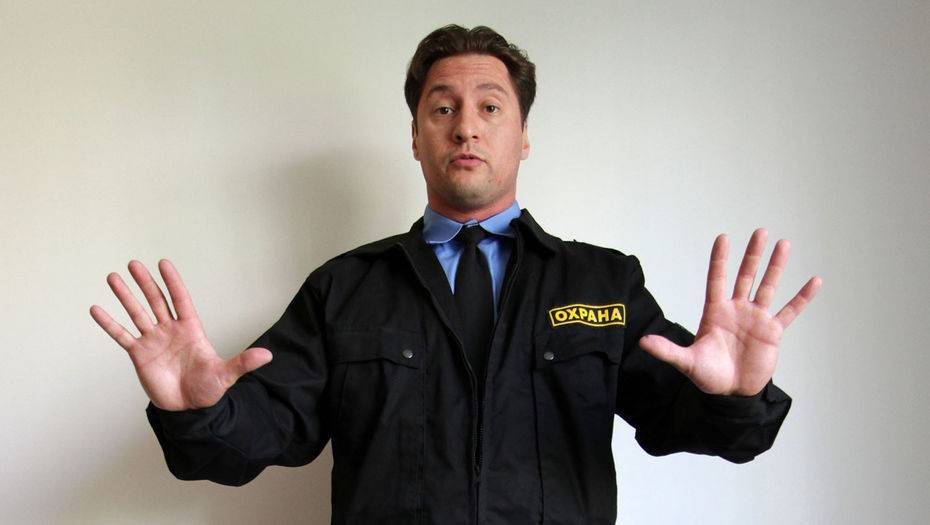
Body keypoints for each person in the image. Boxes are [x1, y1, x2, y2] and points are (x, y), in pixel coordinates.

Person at [90, 25, 821, 525]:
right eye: (442, 108)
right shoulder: (344, 289)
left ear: (523, 135)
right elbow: (254, 437)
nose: (466, 125)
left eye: (489, 107)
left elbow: (689, 423)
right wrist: (197, 411)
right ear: (416, 136)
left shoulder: (602, 283)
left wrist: (737, 398)